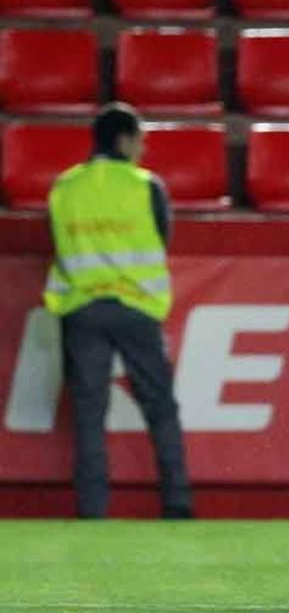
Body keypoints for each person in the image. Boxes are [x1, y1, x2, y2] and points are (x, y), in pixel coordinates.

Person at [43, 102, 193, 519]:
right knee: (159, 406)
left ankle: (92, 511)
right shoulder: (145, 185)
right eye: (140, 139)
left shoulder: (64, 187)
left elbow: (57, 240)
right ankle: (176, 504)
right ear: (123, 139)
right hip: (136, 307)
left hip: (81, 307)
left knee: (89, 414)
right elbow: (161, 239)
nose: (143, 148)